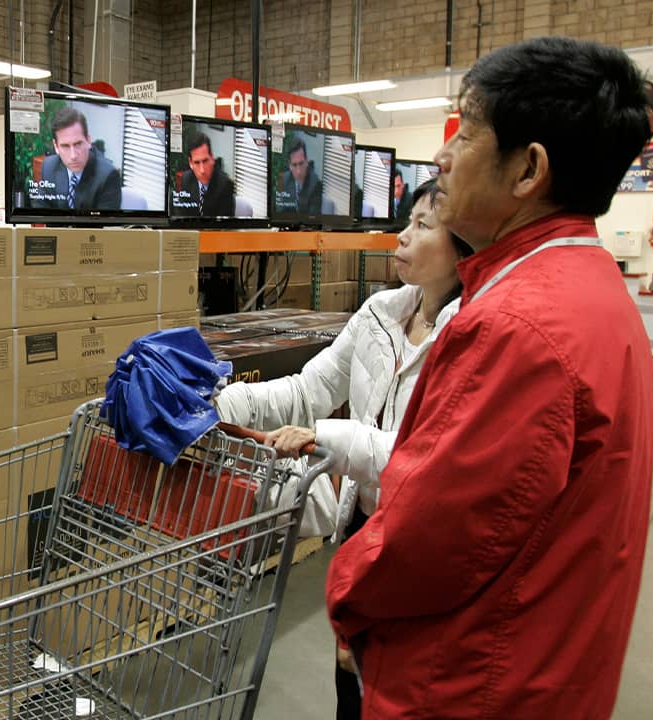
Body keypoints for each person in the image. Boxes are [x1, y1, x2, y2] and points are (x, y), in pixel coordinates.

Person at [326, 37, 653, 718]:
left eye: (467, 131)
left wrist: (343, 589)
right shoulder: (587, 287)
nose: (442, 156)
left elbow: (426, 542)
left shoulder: (516, 325)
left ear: (528, 169)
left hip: (470, 683)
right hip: (543, 667)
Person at [216, 177, 472, 720]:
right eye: (407, 222)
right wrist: (222, 401)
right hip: (362, 531)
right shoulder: (379, 315)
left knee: (395, 688)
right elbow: (309, 389)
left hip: (420, 546)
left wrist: (324, 437)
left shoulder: (472, 335)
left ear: (462, 247)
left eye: (423, 226)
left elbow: (429, 456)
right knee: (350, 679)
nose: (403, 237)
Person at [29, 106, 121, 210]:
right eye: (65, 146)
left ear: (88, 141)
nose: (73, 156)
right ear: (56, 146)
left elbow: (104, 220)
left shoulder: (108, 176)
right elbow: (41, 209)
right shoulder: (48, 166)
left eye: (78, 144)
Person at [173, 131, 235, 217]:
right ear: (190, 163)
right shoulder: (185, 179)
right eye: (197, 162)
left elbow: (224, 223)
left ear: (212, 158)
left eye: (205, 161)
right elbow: (181, 213)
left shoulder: (226, 185)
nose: (202, 170)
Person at [278, 138, 322, 215]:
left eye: (301, 164)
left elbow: (313, 217)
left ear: (306, 162)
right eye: (294, 165)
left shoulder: (316, 183)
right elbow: (280, 210)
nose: (298, 171)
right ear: (289, 165)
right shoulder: (283, 179)